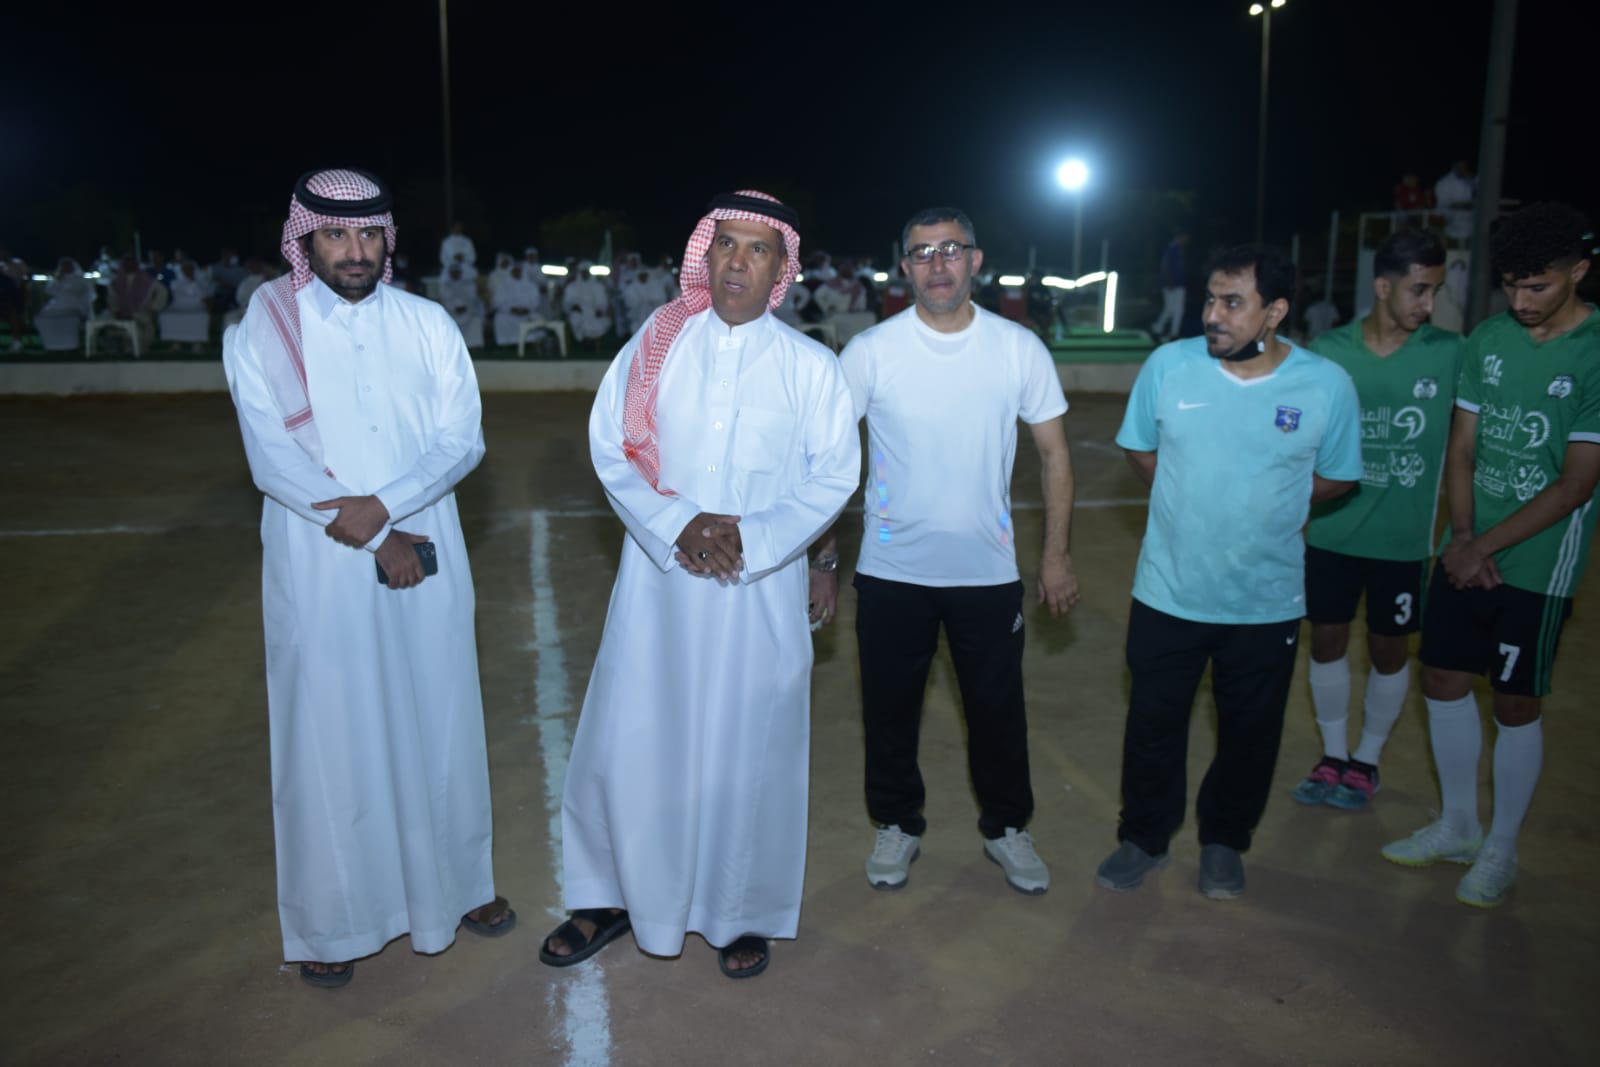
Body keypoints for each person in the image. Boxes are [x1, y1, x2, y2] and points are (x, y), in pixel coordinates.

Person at [543, 190, 858, 979]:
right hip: (660, 587)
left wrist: (753, 539)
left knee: (749, 750)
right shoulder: (655, 346)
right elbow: (611, 449)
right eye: (726, 244)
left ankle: (739, 909)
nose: (738, 262)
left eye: (758, 249)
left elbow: (834, 477)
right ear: (704, 255)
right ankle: (608, 896)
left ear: (782, 269)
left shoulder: (813, 368)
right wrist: (676, 522)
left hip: (760, 592)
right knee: (632, 737)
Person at [221, 168, 513, 989]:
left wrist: (385, 508)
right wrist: (373, 530)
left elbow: (462, 439)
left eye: (368, 234)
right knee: (329, 733)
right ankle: (332, 920)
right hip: (321, 560)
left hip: (426, 550)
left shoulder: (427, 323)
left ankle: (460, 886)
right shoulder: (264, 330)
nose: (354, 251)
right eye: (335, 235)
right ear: (305, 240)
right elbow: (272, 458)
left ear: (388, 238)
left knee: (441, 714)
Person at [815, 206, 1078, 895]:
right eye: (922, 252)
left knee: (998, 713)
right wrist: (825, 561)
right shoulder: (870, 352)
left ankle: (1007, 827)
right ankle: (896, 822)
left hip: (986, 574)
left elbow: (1055, 455)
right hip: (891, 573)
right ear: (904, 267)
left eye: (951, 250)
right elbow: (829, 464)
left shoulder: (1018, 348)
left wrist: (1056, 556)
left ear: (976, 261)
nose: (937, 264)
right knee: (889, 711)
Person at [1096, 245, 1362, 899]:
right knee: (1153, 726)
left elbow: (1336, 476)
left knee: (1250, 734)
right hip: (1168, 591)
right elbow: (1141, 450)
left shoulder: (1326, 385)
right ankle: (1144, 837)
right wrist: (1191, 500)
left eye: (1232, 302)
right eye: (1210, 299)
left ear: (1275, 311)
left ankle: (1224, 841)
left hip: (1265, 600)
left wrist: (1272, 505)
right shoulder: (1169, 366)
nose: (1212, 314)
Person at [1382, 202, 1600, 908]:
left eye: (1538, 286)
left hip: (1538, 562)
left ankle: (1501, 846)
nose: (1522, 299)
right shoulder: (1488, 339)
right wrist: (1463, 539)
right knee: (1443, 677)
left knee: (1514, 700)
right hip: (1467, 548)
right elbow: (1463, 448)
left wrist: (1483, 547)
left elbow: (1575, 485)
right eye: (1511, 285)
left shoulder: (1596, 352)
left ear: (1579, 272)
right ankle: (1458, 825)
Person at [1291, 229, 1462, 811]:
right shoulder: (1330, 350)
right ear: (1383, 287)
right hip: (1332, 531)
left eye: (1435, 291)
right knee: (1326, 641)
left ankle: (1366, 760)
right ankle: (1332, 755)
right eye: (1419, 289)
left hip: (1403, 541)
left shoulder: (1449, 353)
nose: (1428, 304)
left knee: (1390, 651)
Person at [490, 261, 546, 346]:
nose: (517, 273)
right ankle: (506, 343)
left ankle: (530, 342)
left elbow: (535, 301)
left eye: (519, 271)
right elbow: (498, 302)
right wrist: (511, 309)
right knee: (500, 318)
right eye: (515, 271)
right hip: (508, 313)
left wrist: (527, 309)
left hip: (527, 313)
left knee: (537, 318)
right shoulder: (503, 286)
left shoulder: (531, 286)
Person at [562, 260, 611, 349]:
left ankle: (592, 342)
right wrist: (573, 305)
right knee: (575, 318)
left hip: (593, 312)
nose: (585, 274)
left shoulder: (598, 286)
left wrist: (600, 309)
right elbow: (567, 301)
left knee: (598, 322)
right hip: (579, 312)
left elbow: (602, 301)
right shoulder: (572, 286)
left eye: (586, 272)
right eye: (583, 272)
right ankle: (584, 341)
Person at [1150, 231, 1189, 342]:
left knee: (1176, 309)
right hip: (1172, 284)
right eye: (1185, 237)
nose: (1186, 240)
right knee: (1172, 309)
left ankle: (1168, 331)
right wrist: (1169, 282)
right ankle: (1160, 329)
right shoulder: (1172, 249)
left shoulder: (1178, 249)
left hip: (1178, 284)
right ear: (1180, 236)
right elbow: (1165, 265)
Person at [439, 263, 485, 348]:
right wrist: (454, 308)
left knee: (475, 320)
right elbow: (445, 300)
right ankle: (453, 345)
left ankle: (473, 345)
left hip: (468, 311)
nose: (455, 274)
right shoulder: (445, 286)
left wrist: (465, 307)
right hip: (452, 312)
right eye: (453, 272)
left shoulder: (469, 284)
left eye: (457, 272)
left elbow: (472, 299)